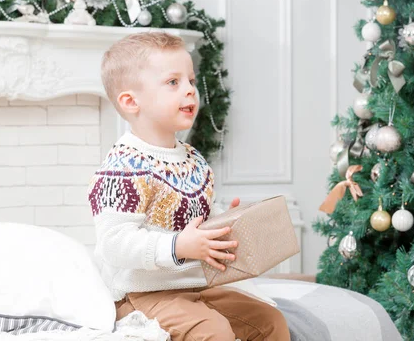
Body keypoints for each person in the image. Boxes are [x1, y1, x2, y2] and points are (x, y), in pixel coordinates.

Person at [88, 32, 290, 341]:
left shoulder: (194, 160)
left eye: (191, 81)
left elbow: (200, 221)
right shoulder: (123, 167)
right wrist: (177, 246)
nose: (190, 91)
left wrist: (227, 224)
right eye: (173, 83)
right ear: (131, 102)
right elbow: (114, 243)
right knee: (214, 331)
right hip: (143, 293)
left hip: (194, 286)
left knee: (269, 320)